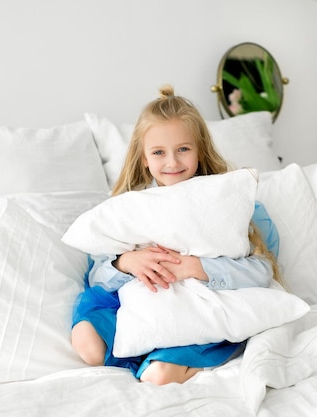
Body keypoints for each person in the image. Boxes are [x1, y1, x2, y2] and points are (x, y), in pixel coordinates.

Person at [71, 85, 281, 385]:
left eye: (183, 149)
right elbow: (96, 276)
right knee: (88, 345)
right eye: (158, 152)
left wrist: (198, 267)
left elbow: (264, 270)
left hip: (198, 307)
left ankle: (176, 356)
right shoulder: (130, 207)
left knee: (158, 377)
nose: (172, 162)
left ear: (200, 149)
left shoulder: (230, 203)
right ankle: (141, 349)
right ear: (143, 158)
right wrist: (127, 262)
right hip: (137, 304)